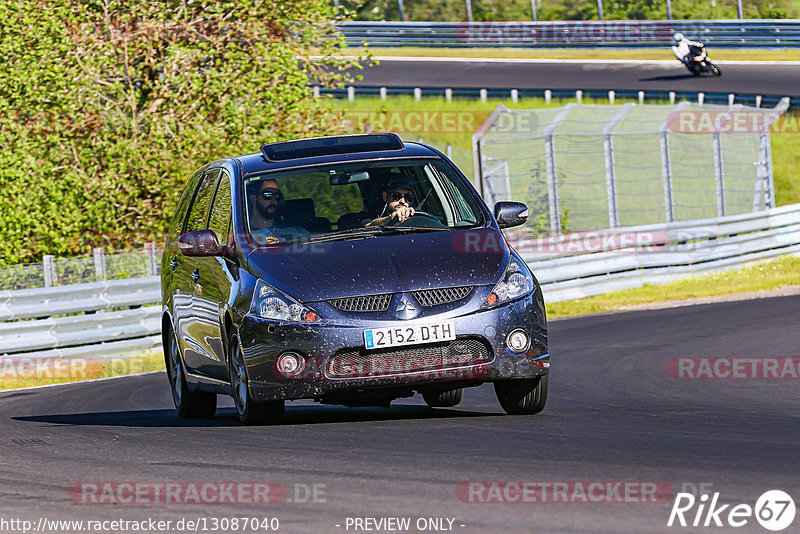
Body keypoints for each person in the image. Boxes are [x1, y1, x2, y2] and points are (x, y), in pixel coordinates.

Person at [246, 179, 309, 244]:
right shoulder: (243, 233)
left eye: (277, 195)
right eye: (267, 195)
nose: (273, 200)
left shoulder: (293, 231)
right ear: (253, 198)